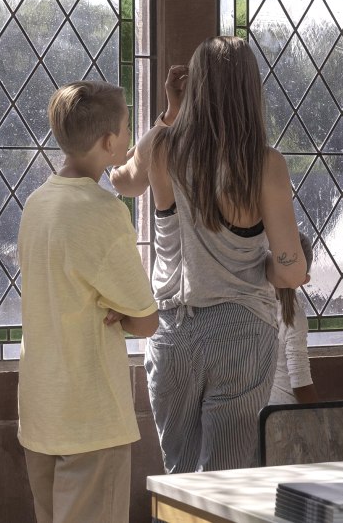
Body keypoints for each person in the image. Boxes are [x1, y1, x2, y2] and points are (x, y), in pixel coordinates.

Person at [111, 36, 308, 472]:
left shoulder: (162, 147)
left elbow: (120, 182)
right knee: (226, 481)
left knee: (179, 479)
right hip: (242, 330)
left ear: (194, 86)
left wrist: (169, 115)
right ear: (250, 90)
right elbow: (291, 272)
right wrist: (271, 267)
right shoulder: (264, 163)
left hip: (172, 332)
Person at [15, 80, 158, 523]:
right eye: (126, 126)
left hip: (41, 410)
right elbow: (146, 319)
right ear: (110, 141)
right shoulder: (101, 211)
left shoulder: (37, 204)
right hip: (91, 417)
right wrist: (124, 314)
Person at [270, 233, 319, 405]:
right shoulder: (292, 317)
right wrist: (320, 422)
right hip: (283, 415)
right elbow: (300, 383)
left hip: (253, 414)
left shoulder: (252, 305)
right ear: (304, 279)